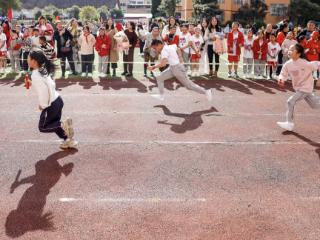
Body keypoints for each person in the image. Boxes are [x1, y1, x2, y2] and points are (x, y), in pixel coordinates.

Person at [27, 50, 78, 149]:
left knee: (43, 127)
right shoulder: (42, 69)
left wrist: (43, 105)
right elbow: (49, 85)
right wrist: (32, 83)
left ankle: (63, 125)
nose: (27, 60)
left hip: (51, 104)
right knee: (53, 124)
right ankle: (68, 140)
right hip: (57, 100)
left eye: (28, 58)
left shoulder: (35, 75)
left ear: (34, 61)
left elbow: (44, 92)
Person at [148, 39, 213, 102]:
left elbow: (163, 64)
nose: (155, 50)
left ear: (159, 45)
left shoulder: (164, 51)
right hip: (172, 68)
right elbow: (178, 48)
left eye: (155, 48)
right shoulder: (170, 46)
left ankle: (206, 92)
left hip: (177, 69)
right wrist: (180, 58)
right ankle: (161, 96)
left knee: (189, 85)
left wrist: (153, 67)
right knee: (159, 78)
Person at [277, 44, 320, 131]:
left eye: (292, 50)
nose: (289, 51)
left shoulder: (305, 63)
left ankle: (289, 123)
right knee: (315, 105)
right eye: (289, 49)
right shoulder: (288, 64)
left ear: (298, 54)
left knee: (290, 101)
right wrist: (281, 79)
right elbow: (283, 73)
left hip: (305, 88)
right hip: (299, 88)